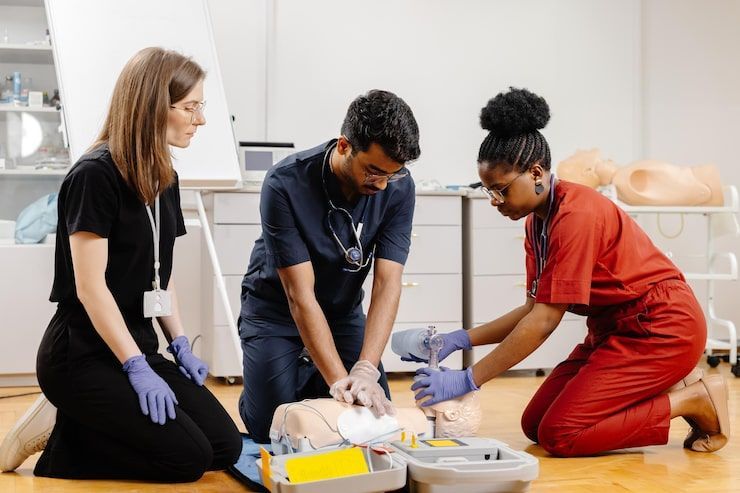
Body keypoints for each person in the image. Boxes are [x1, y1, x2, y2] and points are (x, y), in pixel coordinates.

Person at [408, 87, 730, 457]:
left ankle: (692, 400)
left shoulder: (576, 214)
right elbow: (533, 309)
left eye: (501, 190)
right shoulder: (536, 224)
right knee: (535, 424)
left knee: (562, 434)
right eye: (488, 191)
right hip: (615, 329)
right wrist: (461, 339)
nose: (495, 201)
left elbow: (544, 322)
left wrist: (469, 378)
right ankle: (664, 386)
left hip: (660, 328)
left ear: (536, 172)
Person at [0, 47, 241, 480]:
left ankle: (83, 418)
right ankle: (62, 439)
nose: (200, 120)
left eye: (200, 107)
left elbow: (160, 277)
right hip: (82, 356)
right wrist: (135, 368)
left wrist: (180, 343)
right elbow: (91, 289)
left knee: (224, 446)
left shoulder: (163, 175)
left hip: (139, 347)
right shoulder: (94, 175)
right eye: (190, 107)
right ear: (152, 106)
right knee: (186, 459)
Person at [239, 89, 421, 443]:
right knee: (270, 428)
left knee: (374, 413)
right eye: (373, 171)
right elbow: (299, 296)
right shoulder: (284, 183)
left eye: (392, 174)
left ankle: (309, 373)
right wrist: (340, 382)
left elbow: (387, 283)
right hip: (276, 309)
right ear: (343, 146)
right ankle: (278, 378)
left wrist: (366, 369)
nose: (382, 183)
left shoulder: (398, 187)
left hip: (341, 311)